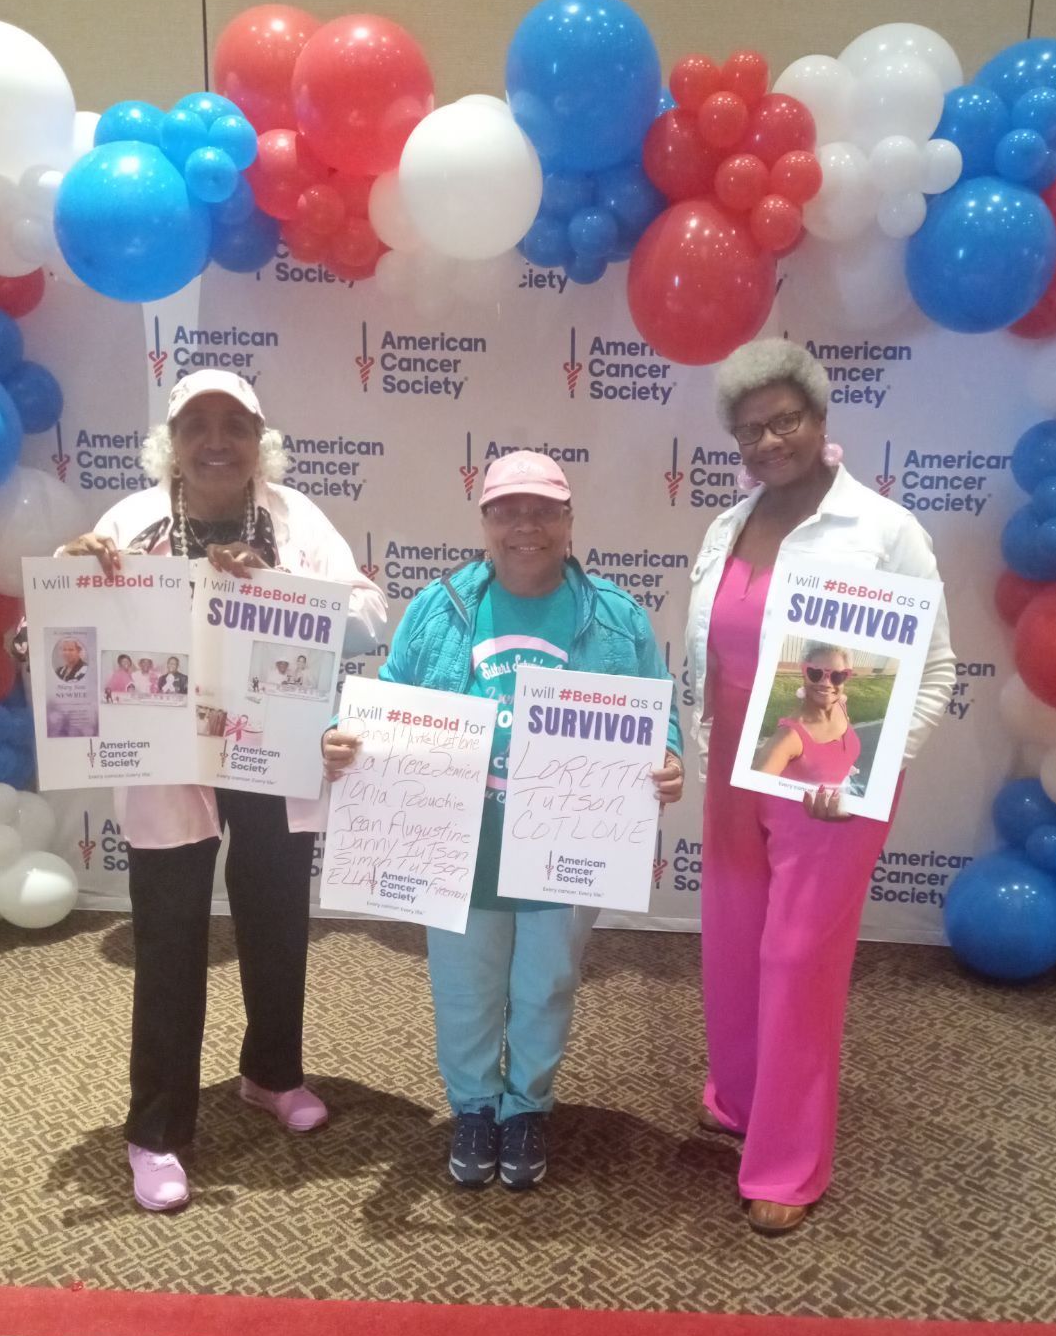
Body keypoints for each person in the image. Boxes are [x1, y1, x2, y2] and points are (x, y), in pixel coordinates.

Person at [60, 368, 386, 1213]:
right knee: (169, 936)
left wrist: (274, 594)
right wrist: (69, 584)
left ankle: (272, 1074)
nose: (216, 441)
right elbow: (58, 642)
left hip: (271, 747)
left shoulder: (293, 517)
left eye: (234, 425)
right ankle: (156, 1131)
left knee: (276, 915)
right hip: (165, 754)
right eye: (196, 424)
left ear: (260, 440)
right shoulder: (128, 523)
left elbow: (366, 617)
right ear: (169, 442)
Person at [323, 450, 683, 1191]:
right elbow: (392, 696)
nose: (526, 525)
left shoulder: (616, 618)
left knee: (547, 982)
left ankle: (528, 1106)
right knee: (464, 985)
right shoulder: (441, 606)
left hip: (566, 845)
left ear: (569, 519)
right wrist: (349, 738)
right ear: (484, 519)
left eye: (544, 509)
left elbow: (659, 712)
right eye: (507, 509)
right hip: (458, 843)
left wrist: (668, 759)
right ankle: (476, 1106)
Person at [685, 339, 954, 1236]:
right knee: (730, 938)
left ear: (820, 417)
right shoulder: (730, 525)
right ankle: (741, 1096)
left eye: (784, 420)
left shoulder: (884, 530)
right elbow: (710, 652)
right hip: (733, 759)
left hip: (829, 779)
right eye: (749, 430)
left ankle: (789, 1165)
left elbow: (937, 670)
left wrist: (876, 770)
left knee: (798, 959)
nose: (768, 441)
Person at [754, 642, 860, 787]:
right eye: (815, 674)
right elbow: (754, 787)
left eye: (837, 676)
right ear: (804, 673)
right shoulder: (789, 737)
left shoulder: (840, 705)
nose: (826, 683)